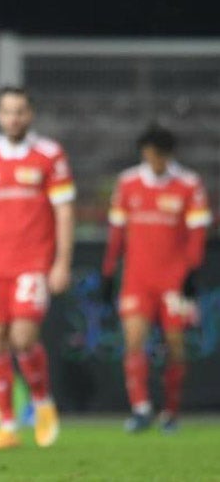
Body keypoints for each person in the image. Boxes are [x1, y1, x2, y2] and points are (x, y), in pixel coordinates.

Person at [0, 86, 74, 451]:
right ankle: (7, 425)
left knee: (23, 338)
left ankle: (42, 403)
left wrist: (62, 263)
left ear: (30, 114)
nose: (14, 118)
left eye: (20, 111)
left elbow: (64, 211)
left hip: (32, 263)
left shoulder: (49, 155)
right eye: (7, 112)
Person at [101, 124, 209, 433]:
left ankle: (171, 412)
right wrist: (109, 272)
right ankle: (141, 408)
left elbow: (197, 235)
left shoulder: (189, 185)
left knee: (175, 346)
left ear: (169, 155)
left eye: (160, 156)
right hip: (137, 278)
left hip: (174, 281)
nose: (155, 162)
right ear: (143, 154)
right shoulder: (128, 183)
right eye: (149, 155)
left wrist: (191, 272)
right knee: (134, 341)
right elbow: (116, 233)